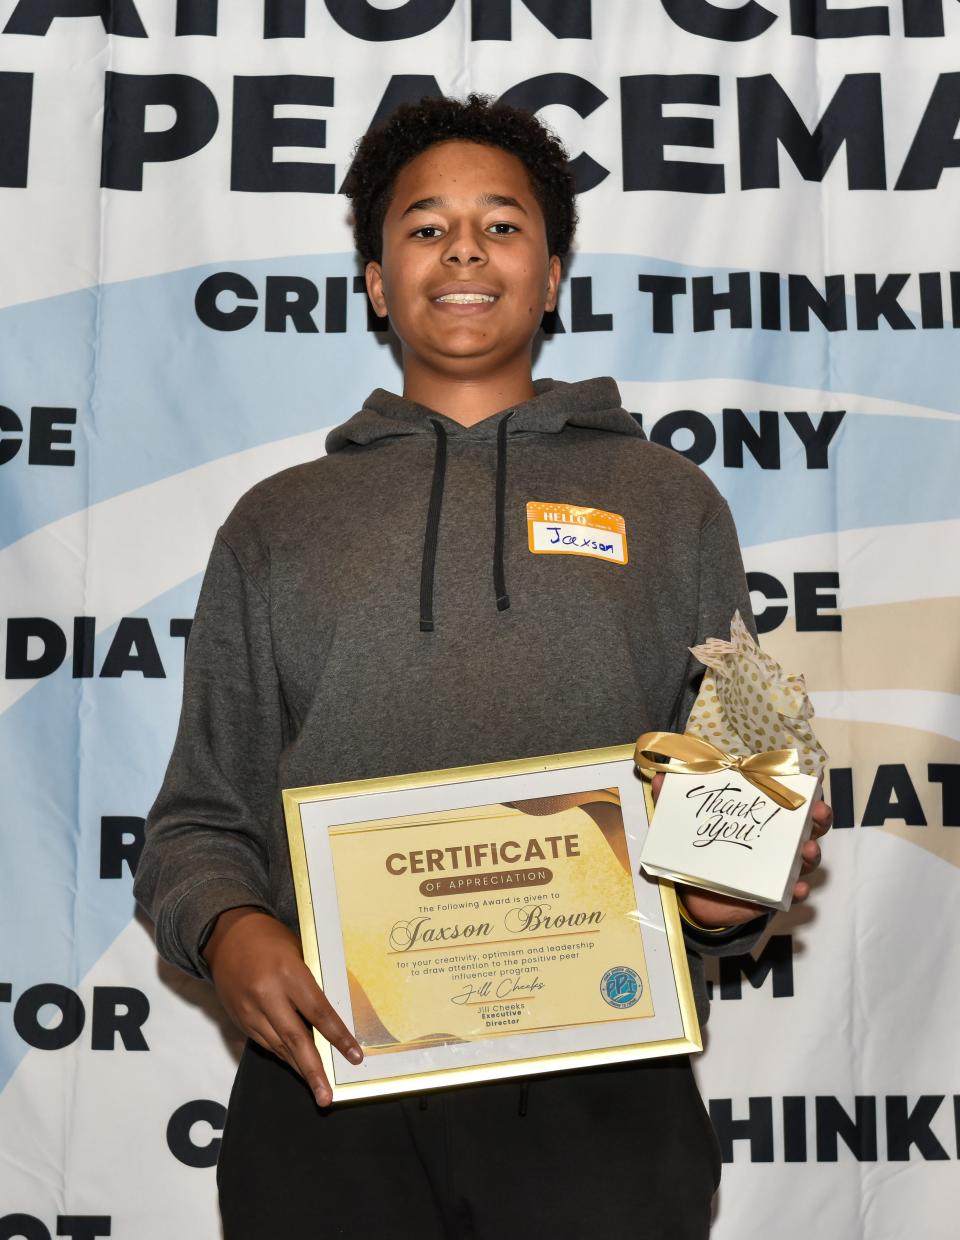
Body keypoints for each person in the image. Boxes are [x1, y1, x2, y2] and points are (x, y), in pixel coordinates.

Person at [134, 94, 831, 1239]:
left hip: (606, 1084)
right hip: (331, 1080)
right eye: (424, 226)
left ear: (552, 274)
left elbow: (726, 781)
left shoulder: (668, 501)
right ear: (373, 279)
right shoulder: (276, 525)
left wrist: (725, 892)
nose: (463, 249)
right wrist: (227, 929)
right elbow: (198, 822)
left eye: (502, 225)